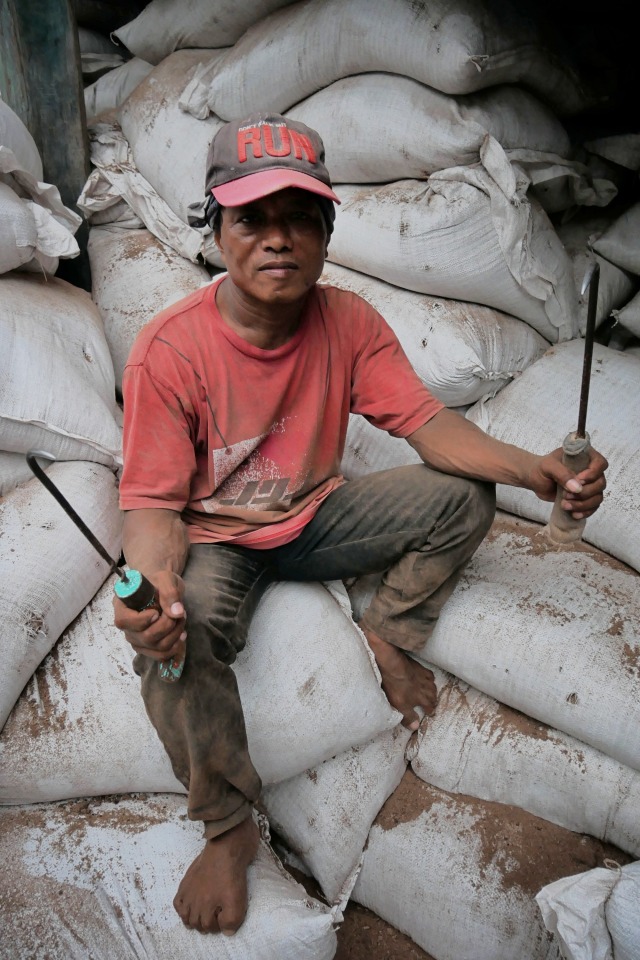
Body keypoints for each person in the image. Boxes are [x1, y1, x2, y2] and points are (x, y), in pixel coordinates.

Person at [114, 114, 608, 937]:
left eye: (300, 217)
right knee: (174, 643)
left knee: (460, 496)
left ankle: (388, 630)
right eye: (252, 219)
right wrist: (155, 587)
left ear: (327, 230)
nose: (278, 239)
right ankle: (230, 829)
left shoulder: (349, 322)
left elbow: (432, 429)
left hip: (315, 516)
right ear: (216, 228)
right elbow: (152, 507)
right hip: (218, 539)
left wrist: (535, 469)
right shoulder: (169, 349)